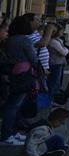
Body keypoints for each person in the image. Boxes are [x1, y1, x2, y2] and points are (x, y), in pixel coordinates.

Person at [2, 15, 42, 145]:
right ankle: (7, 135)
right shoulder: (24, 40)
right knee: (13, 106)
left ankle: (12, 133)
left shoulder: (10, 40)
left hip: (14, 73)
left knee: (13, 105)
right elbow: (33, 58)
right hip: (24, 74)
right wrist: (41, 70)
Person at [46, 24, 69, 104]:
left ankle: (52, 99)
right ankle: (50, 100)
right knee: (54, 82)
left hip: (58, 63)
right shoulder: (53, 41)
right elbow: (64, 52)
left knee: (57, 82)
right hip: (55, 63)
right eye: (61, 30)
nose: (63, 32)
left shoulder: (57, 40)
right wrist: (66, 49)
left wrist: (65, 49)